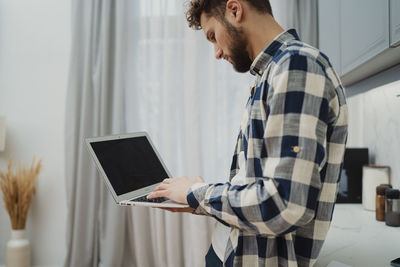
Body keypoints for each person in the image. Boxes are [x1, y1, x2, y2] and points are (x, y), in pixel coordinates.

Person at [147, 0, 348, 266]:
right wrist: (198, 199)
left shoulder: (297, 65)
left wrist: (197, 193)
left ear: (234, 9)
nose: (216, 52)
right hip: (231, 247)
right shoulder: (273, 72)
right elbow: (258, 184)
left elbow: (283, 205)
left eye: (213, 36)